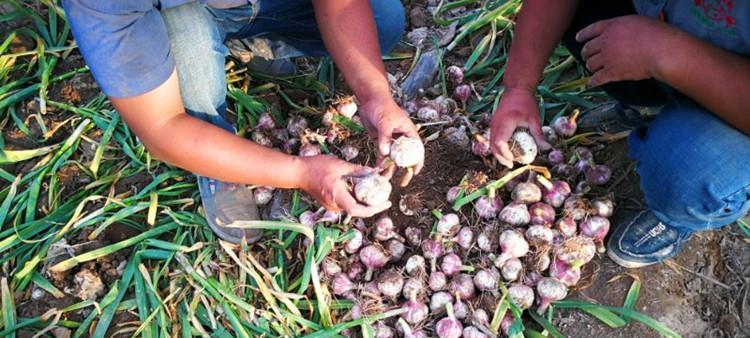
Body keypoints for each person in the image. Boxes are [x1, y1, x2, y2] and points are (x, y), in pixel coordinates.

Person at [61, 0, 423, 243]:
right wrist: (298, 172)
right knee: (193, 82)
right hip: (182, 11)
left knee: (381, 19)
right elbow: (162, 126)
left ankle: (246, 44)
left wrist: (375, 95)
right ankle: (221, 166)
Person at [491, 0, 750, 268]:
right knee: (585, 19)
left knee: (684, 176)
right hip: (666, 26)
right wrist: (519, 87)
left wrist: (664, 51)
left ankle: (679, 216)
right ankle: (651, 106)